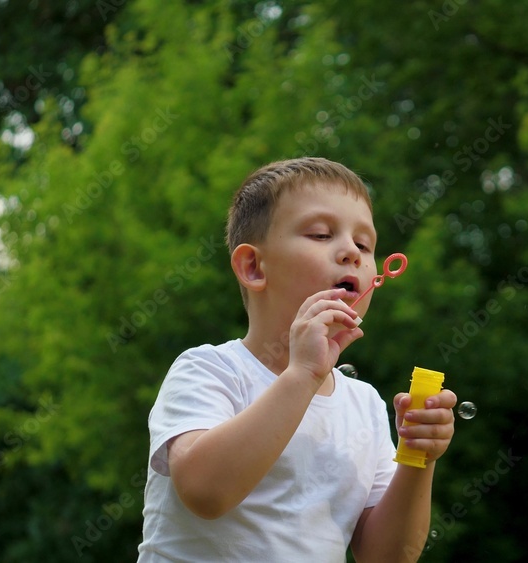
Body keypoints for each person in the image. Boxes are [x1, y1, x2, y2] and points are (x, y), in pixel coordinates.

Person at [138, 157, 457, 562]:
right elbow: (206, 492)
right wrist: (303, 374)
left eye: (364, 244)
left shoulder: (364, 406)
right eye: (322, 234)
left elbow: (386, 556)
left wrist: (417, 455)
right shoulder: (209, 371)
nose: (351, 253)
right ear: (253, 266)